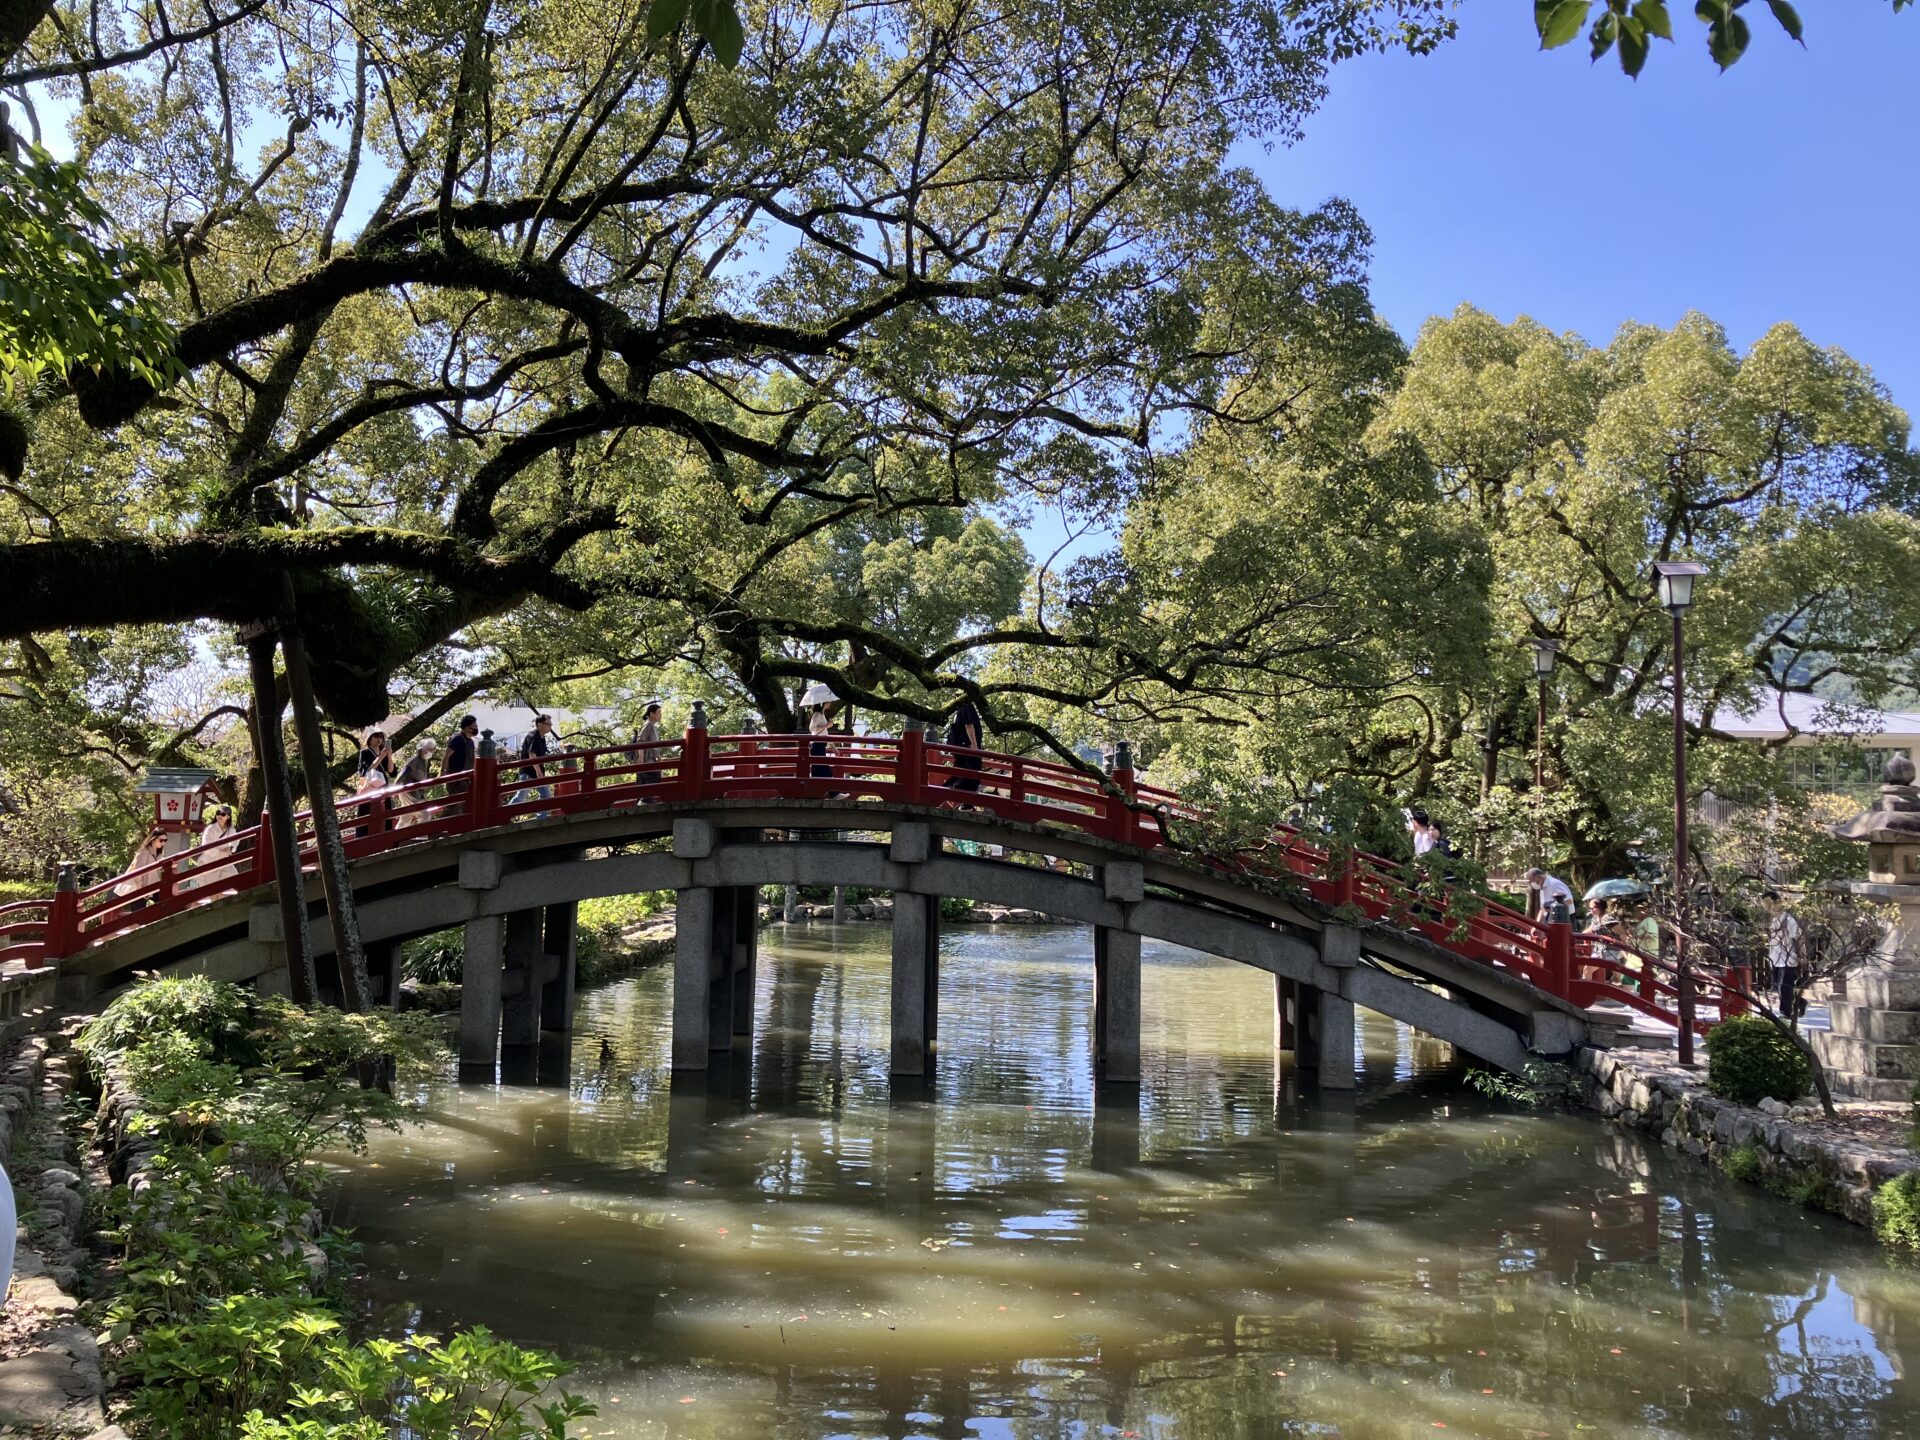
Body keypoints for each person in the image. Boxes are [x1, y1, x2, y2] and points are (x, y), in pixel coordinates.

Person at [1764, 889, 1807, 1018]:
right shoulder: (1774, 920)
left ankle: (1785, 1012)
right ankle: (1800, 1001)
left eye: (1768, 904)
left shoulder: (1788, 920)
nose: (1767, 908)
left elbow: (1799, 938)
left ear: (1776, 903)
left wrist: (1802, 956)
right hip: (1776, 957)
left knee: (1785, 987)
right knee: (1780, 987)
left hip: (1788, 958)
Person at [186, 804, 241, 893]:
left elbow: (235, 842)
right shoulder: (210, 829)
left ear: (228, 817)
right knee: (211, 889)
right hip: (209, 861)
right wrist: (221, 852)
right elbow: (206, 846)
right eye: (218, 813)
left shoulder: (231, 830)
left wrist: (231, 849)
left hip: (223, 861)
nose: (220, 816)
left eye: (223, 814)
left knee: (232, 877)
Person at [113, 831, 169, 912]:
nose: (163, 843)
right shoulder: (144, 852)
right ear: (153, 839)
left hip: (151, 885)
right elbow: (137, 871)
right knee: (138, 913)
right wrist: (140, 888)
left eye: (165, 840)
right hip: (139, 887)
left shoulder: (158, 853)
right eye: (161, 840)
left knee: (165, 900)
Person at [515, 713, 556, 812]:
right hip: (529, 772)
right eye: (548, 724)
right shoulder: (533, 736)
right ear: (540, 725)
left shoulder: (542, 737)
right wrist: (539, 772)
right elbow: (532, 754)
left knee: (546, 796)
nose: (550, 726)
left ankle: (542, 818)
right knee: (520, 797)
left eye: (551, 724)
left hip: (537, 772)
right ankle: (505, 816)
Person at [944, 696, 983, 800]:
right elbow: (968, 725)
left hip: (960, 745)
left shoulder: (960, 707)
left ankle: (945, 791)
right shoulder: (966, 705)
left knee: (959, 772)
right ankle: (965, 799)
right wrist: (974, 744)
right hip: (966, 745)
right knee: (974, 773)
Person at [633, 701, 664, 788]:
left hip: (650, 762)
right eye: (658, 712)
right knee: (650, 789)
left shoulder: (651, 725)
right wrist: (641, 757)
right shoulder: (648, 724)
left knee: (646, 789)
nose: (660, 715)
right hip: (648, 763)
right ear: (651, 714)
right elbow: (640, 741)